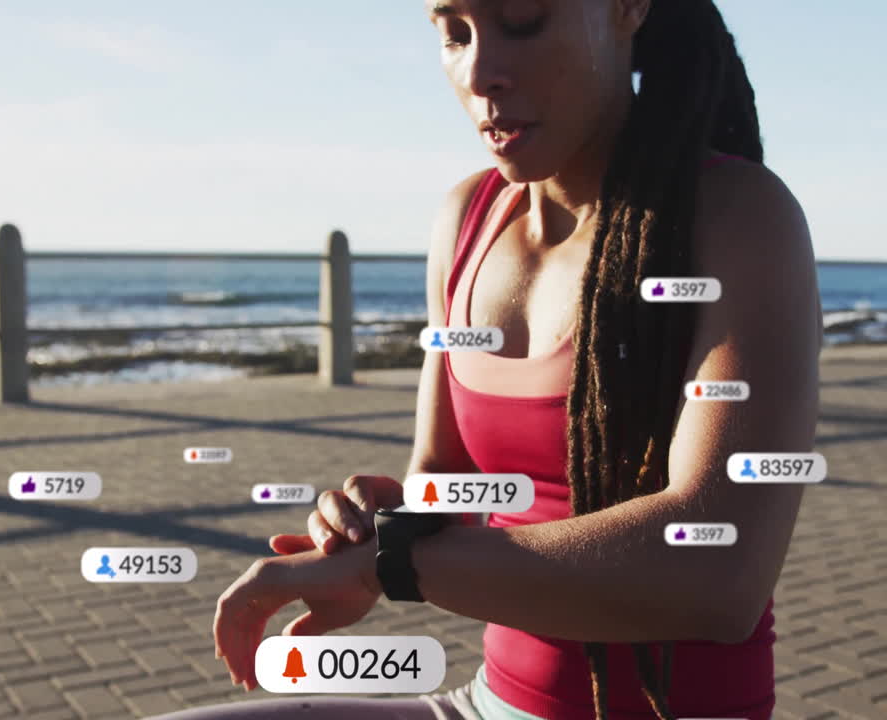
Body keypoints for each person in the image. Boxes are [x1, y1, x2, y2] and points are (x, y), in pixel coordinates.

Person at [152, 0, 820, 718]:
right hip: (486, 704)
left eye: (524, 20)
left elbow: (718, 575)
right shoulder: (469, 218)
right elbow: (448, 489)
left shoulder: (738, 217)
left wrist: (396, 561)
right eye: (453, 32)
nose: (480, 73)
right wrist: (377, 526)